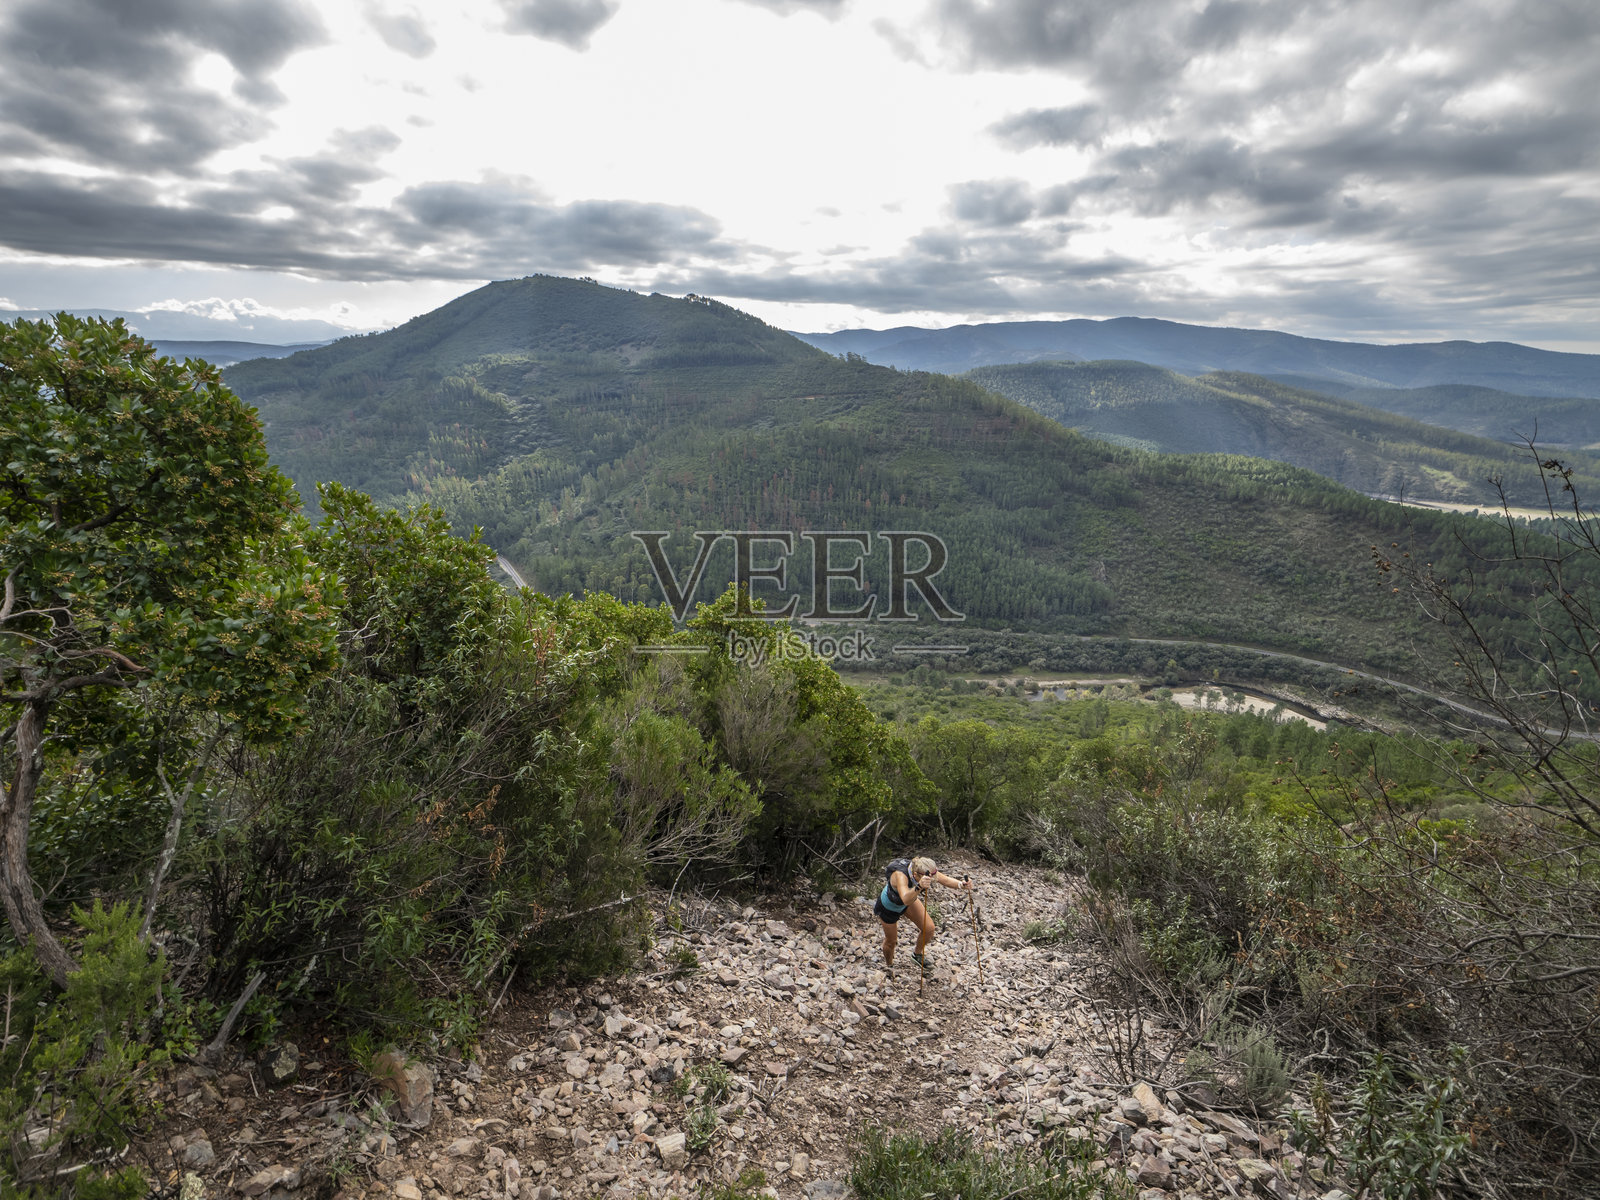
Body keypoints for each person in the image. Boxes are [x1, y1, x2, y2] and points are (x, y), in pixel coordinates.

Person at [874, 855, 972, 972]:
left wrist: (961, 885)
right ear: (915, 875)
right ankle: (889, 966)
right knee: (891, 942)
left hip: (909, 900)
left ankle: (917, 955)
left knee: (929, 928)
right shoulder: (900, 875)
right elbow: (905, 898)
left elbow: (944, 879)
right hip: (889, 906)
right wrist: (919, 886)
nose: (932, 879)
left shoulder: (923, 869)